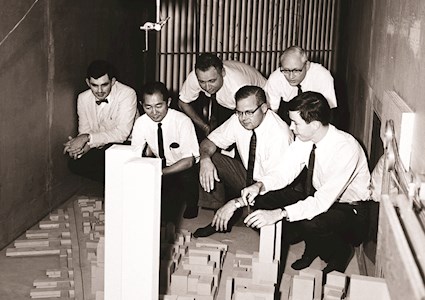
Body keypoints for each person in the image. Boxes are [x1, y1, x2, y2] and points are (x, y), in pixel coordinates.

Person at [243, 91, 371, 275]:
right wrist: (260, 186)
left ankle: (339, 253)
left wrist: (280, 214)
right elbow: (284, 171)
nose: (291, 127)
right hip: (319, 197)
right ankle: (312, 246)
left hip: (350, 209)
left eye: (295, 122)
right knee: (262, 200)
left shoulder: (346, 148)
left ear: (315, 125)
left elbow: (322, 202)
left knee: (311, 221)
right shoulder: (305, 138)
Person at [193, 85, 294, 238]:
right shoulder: (238, 120)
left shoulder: (279, 134)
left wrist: (235, 203)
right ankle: (219, 218)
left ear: (264, 107)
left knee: (271, 233)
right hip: (249, 177)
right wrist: (205, 160)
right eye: (239, 112)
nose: (243, 118)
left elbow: (274, 181)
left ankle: (239, 212)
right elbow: (208, 142)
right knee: (211, 158)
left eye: (249, 112)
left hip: (272, 188)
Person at [132, 81, 200, 220]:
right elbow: (136, 154)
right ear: (142, 105)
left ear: (168, 102)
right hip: (161, 165)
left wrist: (160, 173)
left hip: (185, 167)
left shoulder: (182, 121)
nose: (154, 112)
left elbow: (189, 161)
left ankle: (192, 203)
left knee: (187, 177)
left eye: (159, 106)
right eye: (148, 107)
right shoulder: (141, 122)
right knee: (161, 213)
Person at [63, 60, 138, 182]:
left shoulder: (127, 94)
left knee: (111, 163)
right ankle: (119, 181)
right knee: (75, 164)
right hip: (101, 145)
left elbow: (121, 134)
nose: (99, 91)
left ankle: (120, 185)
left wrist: (86, 138)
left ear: (113, 82)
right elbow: (85, 131)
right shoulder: (83, 98)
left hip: (126, 144)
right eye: (94, 85)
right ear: (88, 82)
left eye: (104, 85)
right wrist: (80, 148)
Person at [179, 53, 266, 141]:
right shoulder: (196, 76)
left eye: (212, 81)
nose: (207, 87)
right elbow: (183, 102)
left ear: (223, 72)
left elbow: (250, 117)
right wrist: (204, 127)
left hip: (259, 101)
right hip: (226, 100)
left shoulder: (236, 86)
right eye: (202, 82)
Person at [264, 46, 337, 124]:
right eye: (286, 70)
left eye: (296, 70)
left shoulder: (322, 76)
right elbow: (271, 113)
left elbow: (330, 113)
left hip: (315, 120)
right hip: (287, 118)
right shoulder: (276, 78)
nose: (291, 76)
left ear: (307, 65)